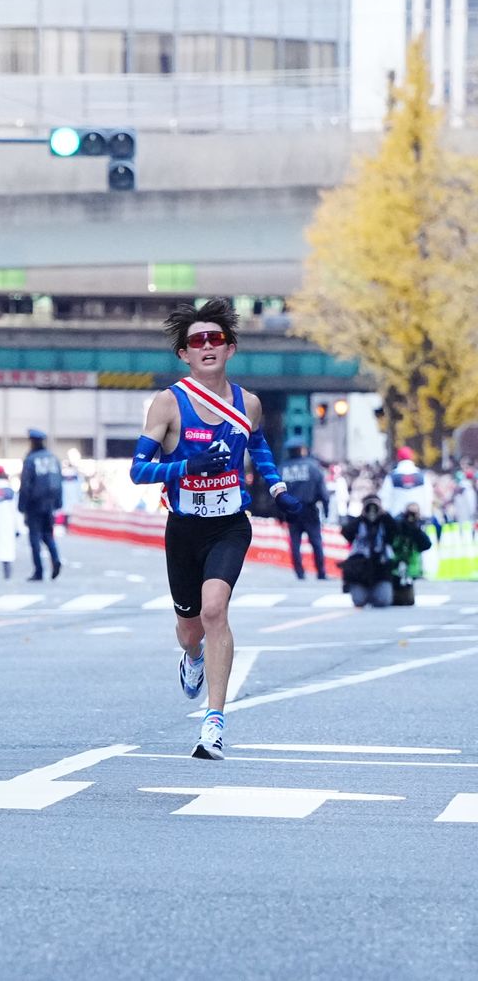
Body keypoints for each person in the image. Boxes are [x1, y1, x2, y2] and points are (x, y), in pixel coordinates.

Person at [129, 298, 302, 760]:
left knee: (213, 612)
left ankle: (214, 723)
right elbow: (138, 471)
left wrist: (281, 491)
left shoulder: (249, 403)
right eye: (197, 341)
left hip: (229, 525)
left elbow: (259, 447)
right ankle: (193, 658)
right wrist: (187, 464)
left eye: (216, 339)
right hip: (184, 528)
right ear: (184, 354)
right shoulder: (168, 403)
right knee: (190, 628)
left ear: (231, 349)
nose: (207, 347)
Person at [278, 438, 331, 580]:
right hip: (309, 509)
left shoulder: (283, 469)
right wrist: (326, 511)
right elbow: (323, 493)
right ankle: (321, 572)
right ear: (302, 449)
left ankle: (299, 572)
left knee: (295, 543)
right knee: (316, 542)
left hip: (291, 511)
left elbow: (277, 492)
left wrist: (279, 514)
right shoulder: (313, 467)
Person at [339, 495, 402, 607]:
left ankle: (375, 593)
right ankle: (366, 594)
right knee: (359, 601)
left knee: (383, 601)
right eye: (369, 506)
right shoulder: (358, 523)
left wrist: (384, 514)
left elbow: (396, 531)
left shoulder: (385, 522)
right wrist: (362, 516)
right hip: (360, 568)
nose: (372, 510)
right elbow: (346, 532)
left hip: (381, 567)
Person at [18, 428, 63, 580]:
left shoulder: (31, 460)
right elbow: (59, 482)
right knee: (48, 535)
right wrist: (58, 502)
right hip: (50, 504)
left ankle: (39, 571)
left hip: (34, 504)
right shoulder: (53, 459)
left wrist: (21, 505)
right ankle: (55, 559)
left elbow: (25, 484)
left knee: (34, 538)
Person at [380, 446, 435, 521]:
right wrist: (427, 514)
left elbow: (385, 498)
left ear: (398, 458)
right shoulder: (422, 476)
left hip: (396, 518)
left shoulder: (391, 476)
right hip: (419, 518)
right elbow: (428, 497)